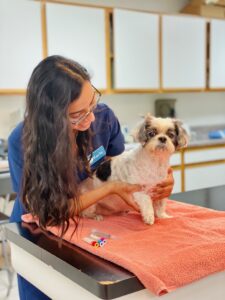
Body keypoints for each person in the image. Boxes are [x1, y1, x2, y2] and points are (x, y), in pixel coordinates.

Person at [8, 55, 174, 300]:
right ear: (52, 118)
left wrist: (161, 179)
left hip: (92, 226)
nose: (92, 118)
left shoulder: (103, 118)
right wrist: (111, 189)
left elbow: (121, 166)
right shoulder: (22, 142)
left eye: (92, 103)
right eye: (78, 115)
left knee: (97, 283)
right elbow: (50, 210)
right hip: (42, 234)